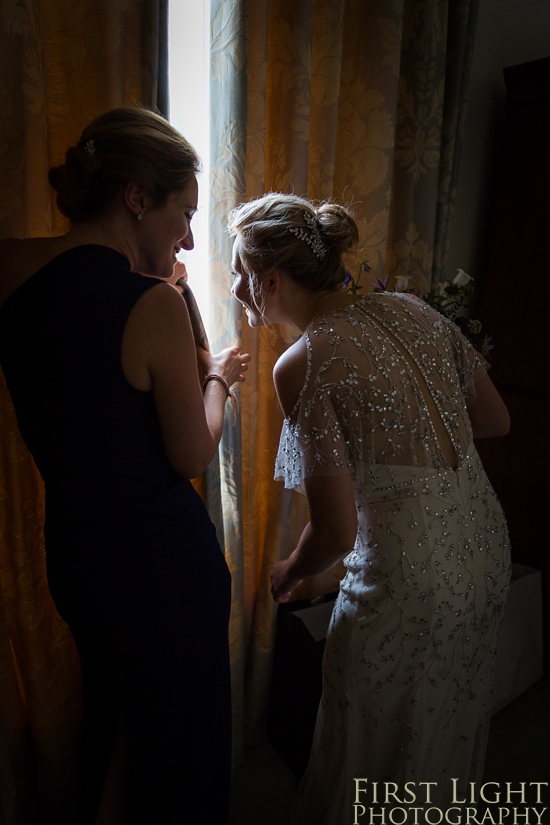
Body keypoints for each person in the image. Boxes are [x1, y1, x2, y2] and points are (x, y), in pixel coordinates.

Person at [0, 107, 250, 825]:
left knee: (111, 719)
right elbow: (193, 454)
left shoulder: (10, 268)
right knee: (180, 747)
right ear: (137, 196)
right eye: (185, 213)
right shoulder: (150, 304)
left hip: (75, 553)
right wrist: (219, 383)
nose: (190, 237)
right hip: (160, 567)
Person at [227, 193, 511, 824]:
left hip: (408, 575)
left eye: (240, 280)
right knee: (441, 723)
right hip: (485, 544)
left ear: (268, 281)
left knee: (371, 734)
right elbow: (495, 419)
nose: (241, 297)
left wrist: (288, 572)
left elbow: (334, 530)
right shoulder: (412, 310)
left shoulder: (305, 360)